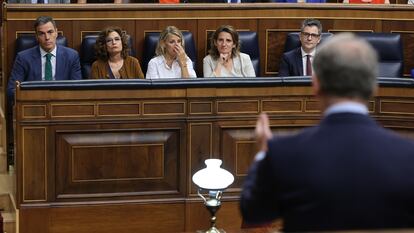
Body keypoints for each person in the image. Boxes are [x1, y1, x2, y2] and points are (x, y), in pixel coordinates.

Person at [240, 33, 414, 231]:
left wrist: (264, 154)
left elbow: (253, 212)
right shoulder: (410, 158)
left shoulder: (283, 155)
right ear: (374, 87)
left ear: (316, 84)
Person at [7, 16, 81, 103]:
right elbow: (11, 90)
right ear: (36, 36)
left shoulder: (72, 56)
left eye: (50, 32)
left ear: (56, 33)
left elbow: (77, 88)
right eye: (42, 33)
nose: (47, 37)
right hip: (34, 105)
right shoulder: (23, 58)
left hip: (61, 104)